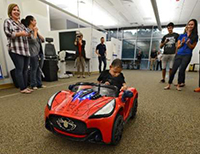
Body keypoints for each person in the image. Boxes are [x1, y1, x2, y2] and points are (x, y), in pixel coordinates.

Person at [4, 4, 32, 94]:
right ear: (10, 12)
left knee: (25, 70)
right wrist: (20, 33)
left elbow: (27, 35)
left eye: (18, 10)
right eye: (14, 10)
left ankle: (25, 86)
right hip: (15, 49)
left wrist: (29, 33)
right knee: (19, 69)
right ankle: (22, 88)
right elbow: (8, 33)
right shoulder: (8, 21)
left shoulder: (21, 24)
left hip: (25, 50)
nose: (16, 12)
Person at [164, 19, 198, 91]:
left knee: (181, 70)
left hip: (187, 55)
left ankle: (178, 85)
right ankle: (169, 84)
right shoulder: (182, 35)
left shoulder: (195, 36)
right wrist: (182, 43)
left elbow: (192, 47)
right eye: (189, 24)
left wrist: (188, 44)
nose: (190, 26)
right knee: (173, 70)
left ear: (194, 26)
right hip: (179, 54)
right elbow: (178, 46)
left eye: (192, 24)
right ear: (187, 26)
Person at [21, 15, 45, 90]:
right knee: (33, 69)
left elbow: (42, 40)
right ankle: (33, 84)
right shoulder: (27, 31)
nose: (36, 22)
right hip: (33, 53)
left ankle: (39, 83)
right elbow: (33, 40)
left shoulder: (35, 30)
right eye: (34, 20)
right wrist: (35, 32)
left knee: (39, 69)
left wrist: (37, 33)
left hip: (39, 52)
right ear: (31, 21)